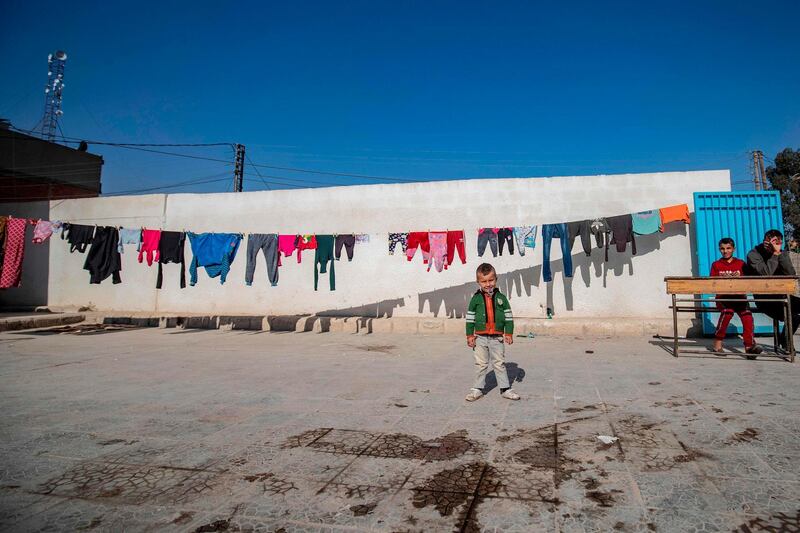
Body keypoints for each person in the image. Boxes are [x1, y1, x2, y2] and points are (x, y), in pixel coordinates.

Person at [465, 263, 520, 401]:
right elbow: (470, 318)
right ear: (478, 282)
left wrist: (508, 333)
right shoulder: (475, 299)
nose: (488, 284)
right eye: (484, 281)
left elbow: (508, 316)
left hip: (497, 338)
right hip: (480, 337)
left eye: (491, 280)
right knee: (481, 363)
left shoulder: (502, 298)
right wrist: (470, 335)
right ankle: (477, 389)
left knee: (499, 363)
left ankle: (505, 389)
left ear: (496, 279)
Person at [744, 229, 799, 351]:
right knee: (793, 315)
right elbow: (766, 274)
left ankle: (785, 339)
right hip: (764, 300)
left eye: (776, 243)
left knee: (797, 312)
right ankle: (786, 342)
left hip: (782, 296)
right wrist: (774, 255)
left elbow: (791, 274)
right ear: (765, 242)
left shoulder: (781, 252)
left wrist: (780, 254)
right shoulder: (754, 254)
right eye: (769, 242)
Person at [710, 238, 761, 357]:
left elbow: (749, 280)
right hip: (723, 298)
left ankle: (749, 347)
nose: (725, 251)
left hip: (740, 298)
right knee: (727, 313)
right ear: (719, 250)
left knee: (747, 317)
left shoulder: (741, 263)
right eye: (722, 248)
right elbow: (712, 283)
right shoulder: (716, 265)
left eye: (728, 248)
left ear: (733, 249)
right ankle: (717, 344)